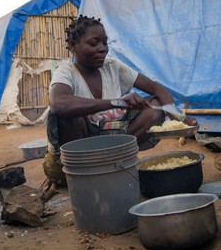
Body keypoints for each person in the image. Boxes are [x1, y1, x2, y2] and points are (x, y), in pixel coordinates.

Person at [42, 15, 197, 186]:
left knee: (155, 107)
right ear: (73, 46)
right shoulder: (66, 73)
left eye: (105, 43)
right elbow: (58, 103)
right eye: (94, 43)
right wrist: (116, 102)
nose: (102, 49)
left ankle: (117, 162)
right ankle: (88, 174)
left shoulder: (112, 66)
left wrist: (179, 119)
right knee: (67, 113)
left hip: (113, 142)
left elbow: (157, 89)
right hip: (79, 155)